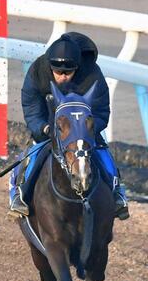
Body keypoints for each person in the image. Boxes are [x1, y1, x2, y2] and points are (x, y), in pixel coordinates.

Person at [9, 32, 129, 220]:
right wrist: (43, 129)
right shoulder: (38, 70)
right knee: (31, 153)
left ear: (77, 67)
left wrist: (87, 130)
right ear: (50, 67)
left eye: (68, 72)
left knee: (102, 151)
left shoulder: (92, 74)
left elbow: (101, 111)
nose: (63, 77)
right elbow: (31, 106)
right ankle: (18, 194)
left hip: (85, 132)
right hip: (50, 128)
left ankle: (118, 193)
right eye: (58, 72)